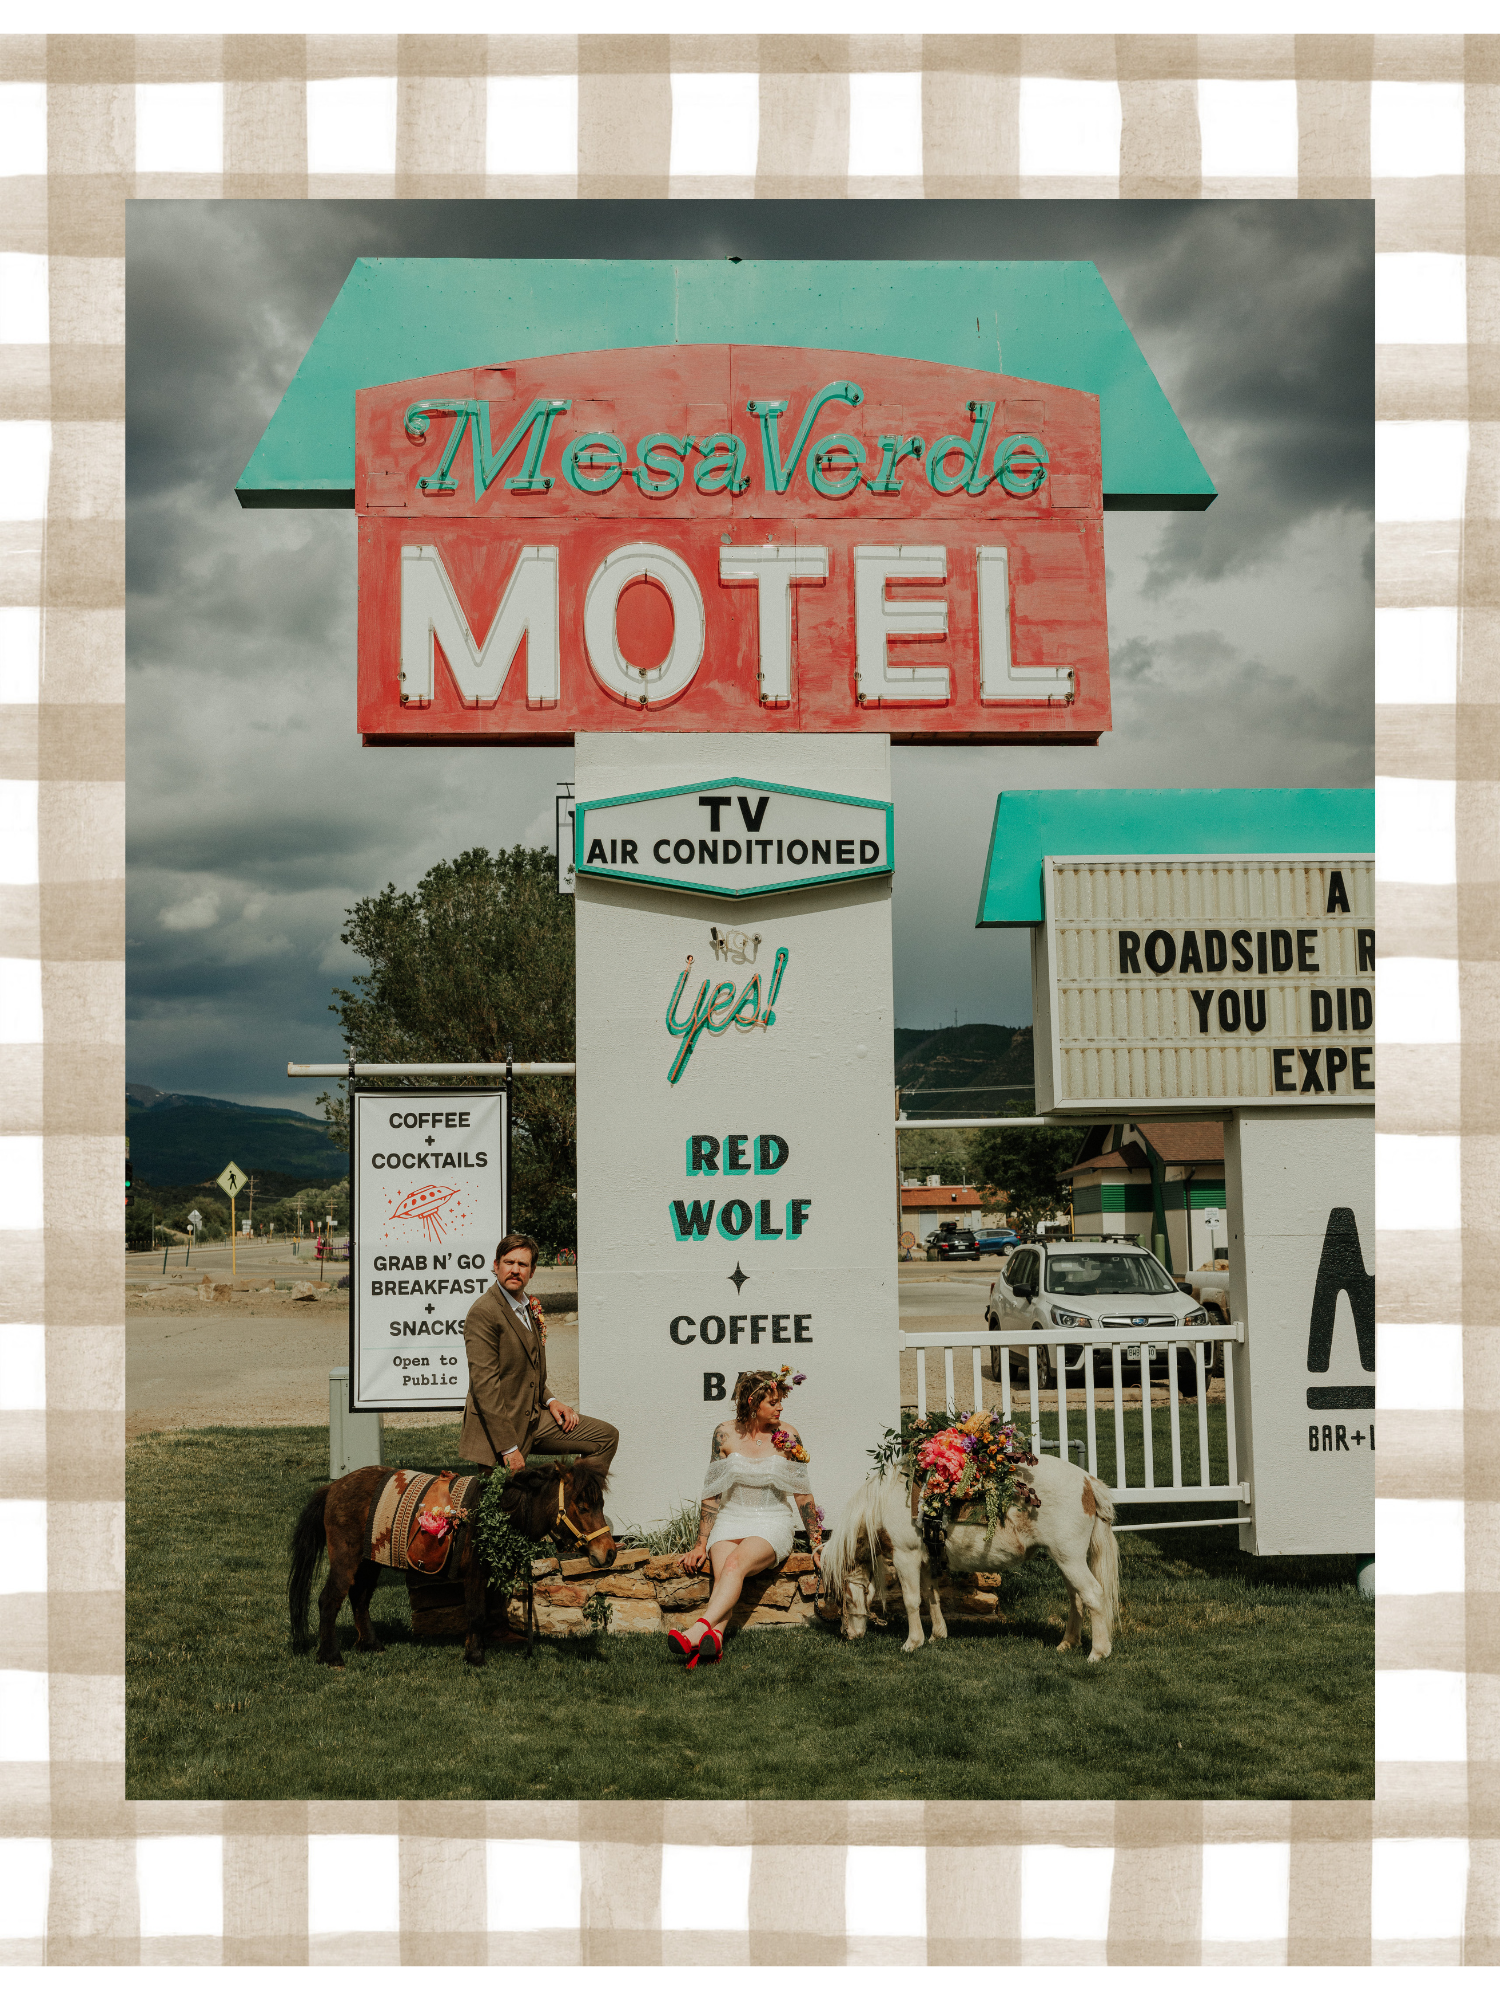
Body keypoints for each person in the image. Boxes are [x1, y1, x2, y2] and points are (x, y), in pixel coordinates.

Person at [669, 1367, 821, 1667]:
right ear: (753, 1403)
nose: (780, 1406)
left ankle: (697, 1631)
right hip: (730, 1517)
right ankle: (716, 1638)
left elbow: (802, 1494)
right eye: (772, 1401)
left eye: (780, 1401)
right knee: (725, 1565)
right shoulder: (724, 1434)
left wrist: (816, 1543)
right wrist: (700, 1544)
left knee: (735, 1563)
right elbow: (712, 1492)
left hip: (771, 1520)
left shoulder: (788, 1436)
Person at [459, 1231, 619, 1478]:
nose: (515, 1270)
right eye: (509, 1262)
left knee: (605, 1437)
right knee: (500, 1512)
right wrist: (509, 1448)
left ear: (532, 1271)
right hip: (499, 1431)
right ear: (496, 1265)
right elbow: (485, 1388)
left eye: (522, 1264)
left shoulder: (527, 1306)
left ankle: (575, 1506)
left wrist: (552, 1402)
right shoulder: (484, 1313)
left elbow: (529, 1372)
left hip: (534, 1420)